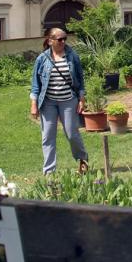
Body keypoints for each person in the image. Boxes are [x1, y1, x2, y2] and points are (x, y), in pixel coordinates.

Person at [30, 27, 89, 175]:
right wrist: (34, 104)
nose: (63, 42)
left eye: (65, 39)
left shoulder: (72, 56)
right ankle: (49, 171)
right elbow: (35, 84)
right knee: (48, 136)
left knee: (72, 133)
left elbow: (80, 80)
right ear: (50, 41)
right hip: (48, 102)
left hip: (68, 100)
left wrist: (82, 99)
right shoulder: (42, 59)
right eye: (59, 39)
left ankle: (83, 160)